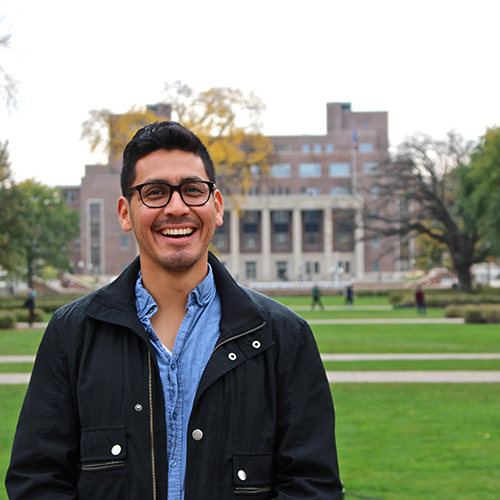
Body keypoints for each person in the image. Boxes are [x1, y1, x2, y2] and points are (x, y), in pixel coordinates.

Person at [6, 121, 343, 499]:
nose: (177, 207)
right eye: (155, 193)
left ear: (216, 207)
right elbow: (37, 481)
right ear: (125, 212)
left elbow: (313, 487)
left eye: (192, 190)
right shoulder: (73, 334)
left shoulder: (282, 336)